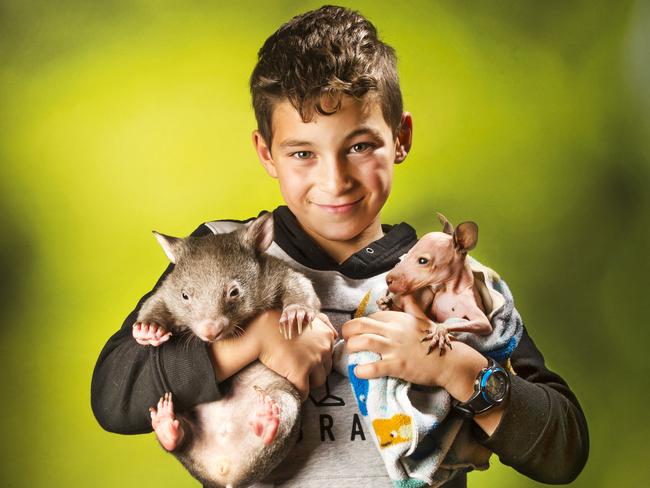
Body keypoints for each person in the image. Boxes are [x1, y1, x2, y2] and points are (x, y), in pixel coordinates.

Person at [91, 5, 589, 487]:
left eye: (359, 146)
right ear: (267, 153)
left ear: (401, 137)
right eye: (303, 153)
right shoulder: (219, 254)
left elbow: (564, 451)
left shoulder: (444, 273)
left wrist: (454, 366)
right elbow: (114, 396)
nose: (335, 180)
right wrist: (259, 338)